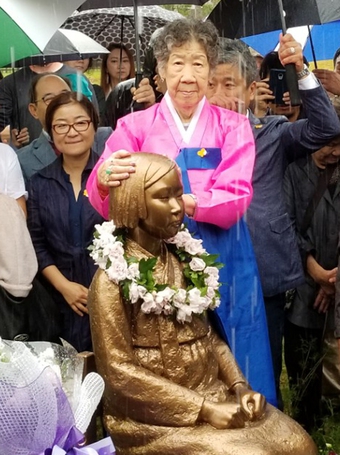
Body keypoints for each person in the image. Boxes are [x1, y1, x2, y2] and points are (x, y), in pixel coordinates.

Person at [87, 18, 277, 405]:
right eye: (176, 63)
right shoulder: (133, 126)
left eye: (198, 64)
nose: (187, 76)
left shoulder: (234, 126)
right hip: (155, 261)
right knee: (172, 355)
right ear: (159, 72)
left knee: (238, 352)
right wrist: (105, 179)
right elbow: (106, 200)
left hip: (225, 256)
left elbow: (236, 197)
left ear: (210, 72)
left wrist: (188, 203)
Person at [88, 152, 317, 455]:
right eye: (163, 197)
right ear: (134, 203)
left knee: (300, 445)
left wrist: (239, 387)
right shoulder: (111, 281)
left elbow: (209, 338)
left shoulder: (185, 260)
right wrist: (203, 409)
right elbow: (118, 372)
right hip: (152, 422)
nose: (176, 208)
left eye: (179, 194)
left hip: (215, 394)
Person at [205, 37, 340, 409]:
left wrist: (301, 69)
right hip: (209, 270)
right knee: (214, 367)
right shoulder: (193, 139)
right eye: (210, 84)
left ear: (251, 90)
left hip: (264, 269)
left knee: (262, 362)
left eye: (229, 84)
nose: (218, 94)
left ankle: (268, 430)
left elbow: (326, 127)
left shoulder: (271, 132)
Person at [26, 92, 105, 352]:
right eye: (61, 125)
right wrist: (65, 287)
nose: (71, 132)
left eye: (80, 122)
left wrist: (102, 289)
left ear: (94, 124)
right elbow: (36, 244)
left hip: (109, 297)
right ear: (50, 131)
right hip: (56, 303)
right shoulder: (39, 184)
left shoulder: (112, 177)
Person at [284, 134, 340, 431]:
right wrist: (316, 272)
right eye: (330, 144)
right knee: (302, 351)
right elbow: (287, 224)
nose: (335, 152)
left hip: (335, 276)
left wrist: (333, 280)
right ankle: (306, 421)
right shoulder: (294, 172)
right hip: (303, 279)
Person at [17, 73, 112, 184]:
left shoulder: (106, 139)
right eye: (49, 98)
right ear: (34, 110)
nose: (59, 103)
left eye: (65, 95)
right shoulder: (22, 160)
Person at [0, 62, 99, 145]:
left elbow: (94, 121)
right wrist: (14, 139)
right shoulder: (10, 83)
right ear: (33, 109)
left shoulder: (78, 79)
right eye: (48, 98)